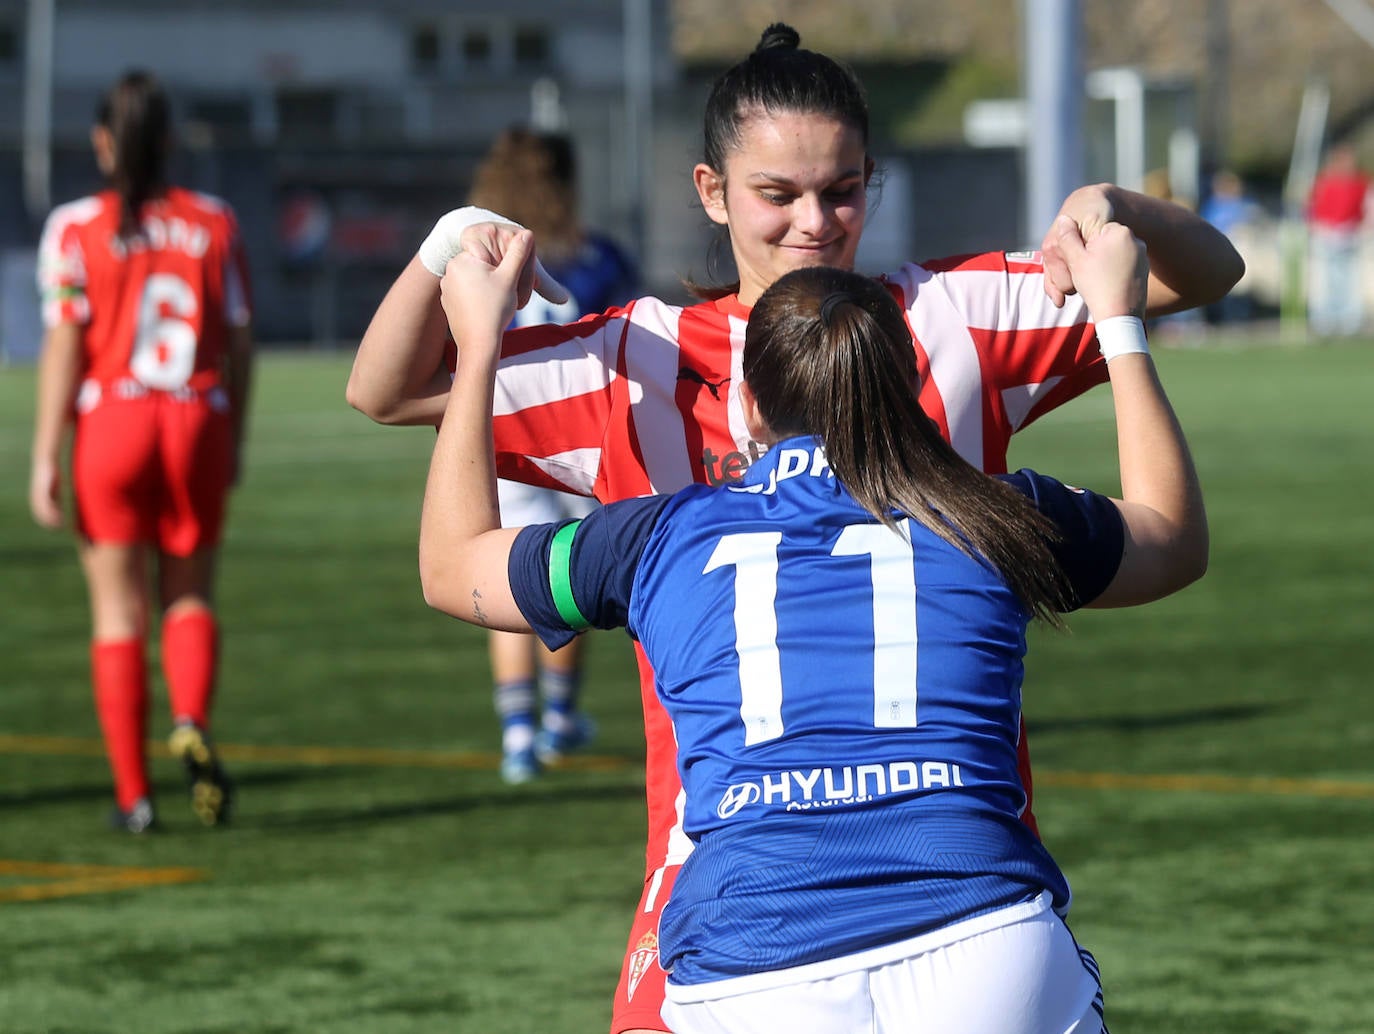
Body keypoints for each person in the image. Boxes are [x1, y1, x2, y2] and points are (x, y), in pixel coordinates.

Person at [347, 23, 1241, 1032]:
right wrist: (442, 247)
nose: (815, 221)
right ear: (711, 189)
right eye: (779, 192)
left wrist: (1121, 209)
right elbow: (384, 389)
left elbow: (1207, 271)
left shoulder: (955, 309)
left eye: (844, 188)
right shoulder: (635, 353)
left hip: (918, 852)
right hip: (723, 852)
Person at [29, 70, 253, 833]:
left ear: (101, 143)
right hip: (195, 419)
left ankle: (134, 797)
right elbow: (239, 341)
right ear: (168, 142)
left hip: (111, 425)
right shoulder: (216, 222)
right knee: (187, 596)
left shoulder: (74, 226)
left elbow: (64, 346)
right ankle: (189, 715)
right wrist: (235, 436)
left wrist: (43, 455)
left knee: (116, 613)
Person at [465, 126, 640, 783]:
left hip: (500, 431)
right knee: (569, 575)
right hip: (578, 435)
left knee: (505, 575)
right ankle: (560, 718)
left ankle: (517, 733)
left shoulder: (483, 260)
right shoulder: (595, 257)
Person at [1306, 142, 1370, 337]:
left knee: (1349, 278)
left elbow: (1367, 207)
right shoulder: (1324, 181)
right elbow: (1313, 207)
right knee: (1325, 277)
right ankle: (1325, 319)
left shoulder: (1361, 183)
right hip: (1327, 233)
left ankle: (1350, 320)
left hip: (1350, 234)